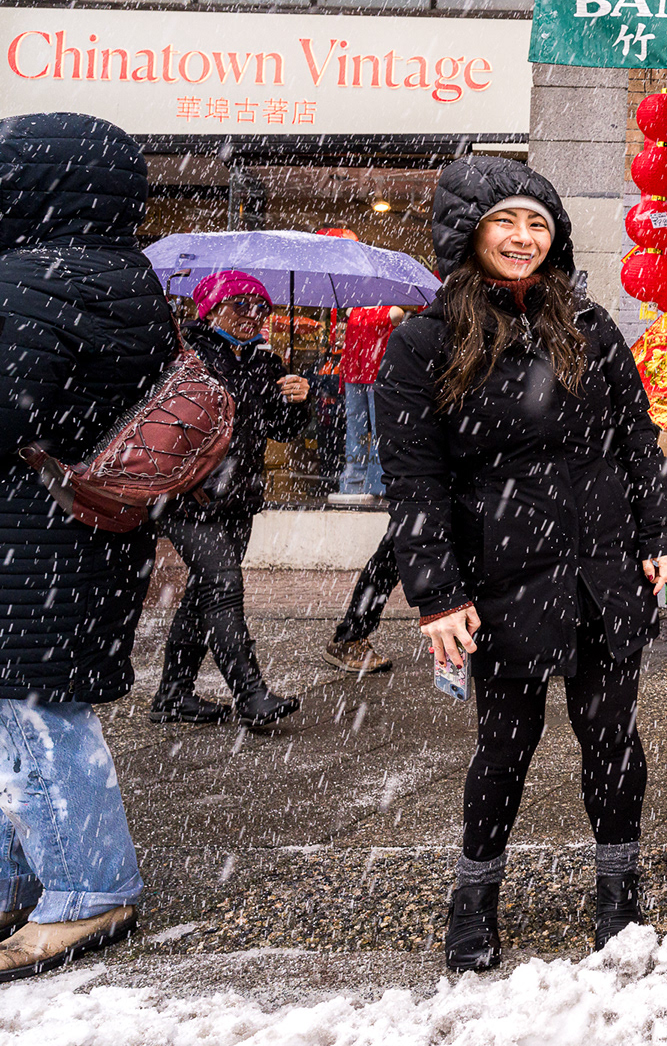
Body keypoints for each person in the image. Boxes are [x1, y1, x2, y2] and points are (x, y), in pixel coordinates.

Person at [379, 155, 667, 972]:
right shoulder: (422, 343)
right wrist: (435, 593)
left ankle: (619, 896)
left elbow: (637, 440)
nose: (521, 238)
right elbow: (415, 481)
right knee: (504, 746)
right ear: (467, 232)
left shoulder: (588, 325)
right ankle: (474, 899)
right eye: (504, 221)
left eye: (537, 224)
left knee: (611, 739)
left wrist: (657, 535)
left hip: (603, 570)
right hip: (501, 579)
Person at [0, 112, 176, 979]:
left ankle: (88, 891)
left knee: (36, 717)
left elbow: (9, 414)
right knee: (25, 713)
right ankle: (22, 876)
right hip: (87, 530)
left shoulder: (26, 278)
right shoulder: (127, 275)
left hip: (28, 538)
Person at [149, 270, 308, 729]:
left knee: (203, 594)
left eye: (260, 308)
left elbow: (282, 429)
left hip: (238, 497)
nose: (251, 316)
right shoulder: (186, 356)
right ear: (211, 309)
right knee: (222, 588)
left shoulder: (263, 359)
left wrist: (298, 399)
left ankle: (173, 695)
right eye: (240, 306)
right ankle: (251, 695)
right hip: (186, 496)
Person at [330, 304, 405, 507]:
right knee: (356, 428)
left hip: (378, 373)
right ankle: (354, 480)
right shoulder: (353, 310)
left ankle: (377, 483)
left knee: (380, 428)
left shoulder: (392, 311)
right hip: (355, 371)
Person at [321, 521, 398, 675]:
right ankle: (349, 638)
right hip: (420, 501)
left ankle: (351, 634)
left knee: (396, 551)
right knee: (395, 552)